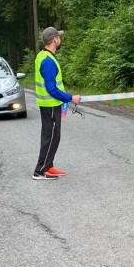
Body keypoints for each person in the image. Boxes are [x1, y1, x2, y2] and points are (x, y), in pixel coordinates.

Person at [33, 27, 81, 180]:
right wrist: (70, 98)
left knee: (52, 135)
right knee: (51, 136)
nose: (60, 39)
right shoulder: (47, 60)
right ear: (54, 39)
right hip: (50, 105)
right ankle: (40, 171)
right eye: (58, 37)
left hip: (50, 105)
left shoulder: (44, 55)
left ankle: (48, 166)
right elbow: (51, 88)